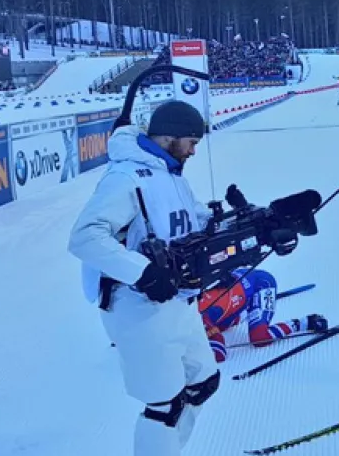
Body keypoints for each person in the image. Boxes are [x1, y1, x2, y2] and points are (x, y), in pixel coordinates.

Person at [67, 100, 225, 456]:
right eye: (191, 142)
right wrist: (143, 273)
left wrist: (226, 219)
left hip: (178, 303)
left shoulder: (170, 175)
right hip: (138, 309)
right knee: (163, 406)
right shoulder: (124, 178)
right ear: (169, 137)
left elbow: (193, 219)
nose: (195, 150)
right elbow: (85, 236)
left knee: (203, 382)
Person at [200, 267, 328, 362]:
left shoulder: (198, 317)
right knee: (219, 326)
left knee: (260, 338)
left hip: (261, 284)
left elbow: (219, 354)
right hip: (234, 291)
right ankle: (245, 309)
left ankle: (305, 322)